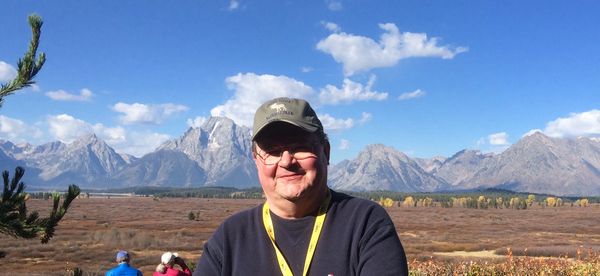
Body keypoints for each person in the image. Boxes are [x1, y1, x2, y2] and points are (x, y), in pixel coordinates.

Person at [194, 97, 408, 275]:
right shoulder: (230, 236)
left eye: (300, 147)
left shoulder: (365, 223)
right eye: (273, 151)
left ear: (326, 152)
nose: (286, 161)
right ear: (256, 160)